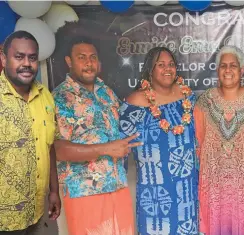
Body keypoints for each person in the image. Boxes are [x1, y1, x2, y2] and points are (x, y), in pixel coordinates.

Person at [53, 36, 139, 235]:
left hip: (117, 185)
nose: (88, 62)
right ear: (69, 62)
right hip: (86, 191)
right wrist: (107, 149)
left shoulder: (106, 92)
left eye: (92, 57)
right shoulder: (61, 97)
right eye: (81, 57)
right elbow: (58, 149)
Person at [119, 47, 198, 235]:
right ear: (150, 70)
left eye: (171, 64)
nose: (167, 69)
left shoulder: (187, 96)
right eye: (160, 65)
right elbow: (119, 145)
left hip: (186, 186)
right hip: (155, 191)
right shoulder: (135, 101)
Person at [194, 46, 244, 235]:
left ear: (242, 70)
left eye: (233, 66)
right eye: (223, 66)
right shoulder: (205, 100)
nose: (228, 70)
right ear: (217, 70)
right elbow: (197, 143)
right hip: (213, 188)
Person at [0, 31, 61, 234]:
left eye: (32, 58)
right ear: (3, 58)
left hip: (36, 212)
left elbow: (49, 146)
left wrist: (54, 191)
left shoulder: (46, 97)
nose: (26, 63)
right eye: (19, 57)